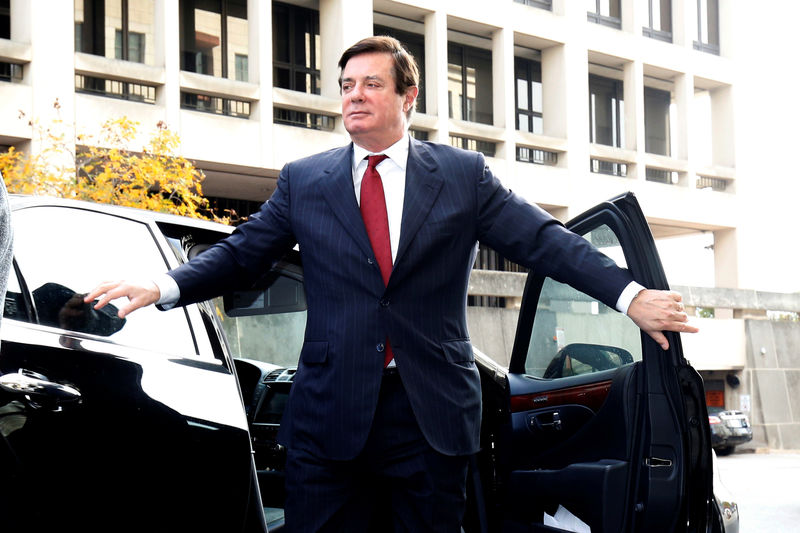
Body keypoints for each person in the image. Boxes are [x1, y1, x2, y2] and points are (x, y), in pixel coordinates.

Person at [85, 36, 697, 532]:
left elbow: (542, 240)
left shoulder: (462, 175)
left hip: (429, 416)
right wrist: (164, 285)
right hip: (328, 419)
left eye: (371, 84)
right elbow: (244, 254)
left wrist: (630, 296)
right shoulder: (305, 180)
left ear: (408, 96)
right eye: (346, 85)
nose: (354, 96)